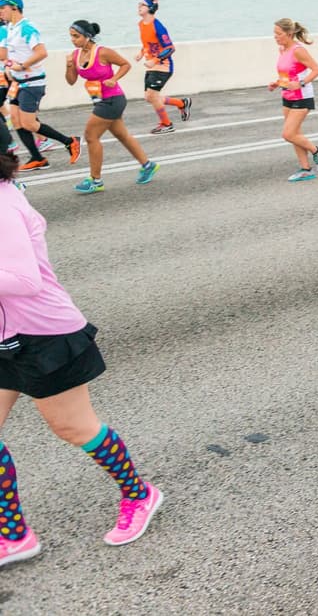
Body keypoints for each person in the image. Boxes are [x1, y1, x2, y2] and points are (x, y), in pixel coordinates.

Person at [0, 149, 163, 567]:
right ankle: (14, 535)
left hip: (45, 335)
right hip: (5, 337)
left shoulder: (3, 205)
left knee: (74, 428)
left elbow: (24, 280)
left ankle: (140, 495)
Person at [62, 21, 158, 194]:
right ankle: (148, 165)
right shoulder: (75, 55)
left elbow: (125, 64)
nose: (72, 40)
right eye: (71, 36)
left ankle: (96, 180)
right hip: (101, 101)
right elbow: (71, 81)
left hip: (113, 99)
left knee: (91, 136)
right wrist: (69, 65)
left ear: (87, 36)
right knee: (122, 135)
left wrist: (114, 79)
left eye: (76, 36)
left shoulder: (103, 52)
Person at [0, 0, 80, 173]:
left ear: (14, 7)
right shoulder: (11, 28)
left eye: (2, 8)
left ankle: (70, 141)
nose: (0, 12)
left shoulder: (27, 28)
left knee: (28, 123)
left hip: (32, 82)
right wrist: (10, 69)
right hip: (18, 83)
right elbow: (9, 55)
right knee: (16, 120)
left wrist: (23, 66)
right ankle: (37, 158)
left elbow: (42, 52)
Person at [268, 18, 318, 182]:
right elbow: (288, 73)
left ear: (289, 34)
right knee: (295, 134)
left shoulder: (298, 50)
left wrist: (301, 83)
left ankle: (317, 150)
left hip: (302, 96)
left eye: (278, 34)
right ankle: (305, 169)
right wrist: (277, 82)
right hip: (287, 95)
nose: (275, 37)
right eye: (274, 33)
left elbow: (317, 70)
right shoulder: (282, 49)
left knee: (288, 134)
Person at [134, 0, 190, 134]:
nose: (139, 7)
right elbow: (148, 43)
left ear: (150, 8)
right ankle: (182, 103)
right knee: (149, 97)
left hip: (163, 66)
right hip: (152, 66)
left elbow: (170, 48)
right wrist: (141, 53)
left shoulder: (158, 26)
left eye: (142, 5)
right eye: (139, 4)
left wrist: (155, 60)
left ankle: (166, 124)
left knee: (152, 96)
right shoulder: (141, 24)